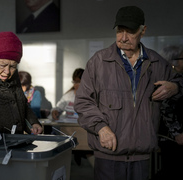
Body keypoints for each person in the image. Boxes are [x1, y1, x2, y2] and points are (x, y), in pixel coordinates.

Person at [74, 6, 183, 180]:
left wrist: (175, 87)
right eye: (119, 31)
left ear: (143, 31)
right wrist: (101, 128)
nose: (123, 38)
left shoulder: (156, 63)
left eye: (130, 32)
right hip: (107, 158)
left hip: (142, 159)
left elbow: (180, 83)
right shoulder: (99, 62)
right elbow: (83, 102)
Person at [156, 45, 183, 180]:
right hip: (171, 137)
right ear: (174, 61)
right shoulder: (171, 79)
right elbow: (166, 106)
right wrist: (177, 132)